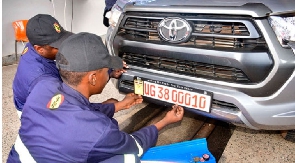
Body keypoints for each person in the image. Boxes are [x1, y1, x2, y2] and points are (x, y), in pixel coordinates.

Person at [7, 32, 184, 163]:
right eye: (106, 70)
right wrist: (165, 120)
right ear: (92, 78)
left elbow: (80, 111)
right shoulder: (99, 131)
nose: (109, 73)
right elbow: (135, 144)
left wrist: (119, 105)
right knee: (128, 158)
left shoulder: (43, 87)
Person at [13, 14, 125, 117]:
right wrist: (115, 106)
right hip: (37, 113)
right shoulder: (43, 81)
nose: (64, 47)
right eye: (57, 46)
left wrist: (108, 71)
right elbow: (71, 110)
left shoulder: (36, 44)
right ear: (39, 49)